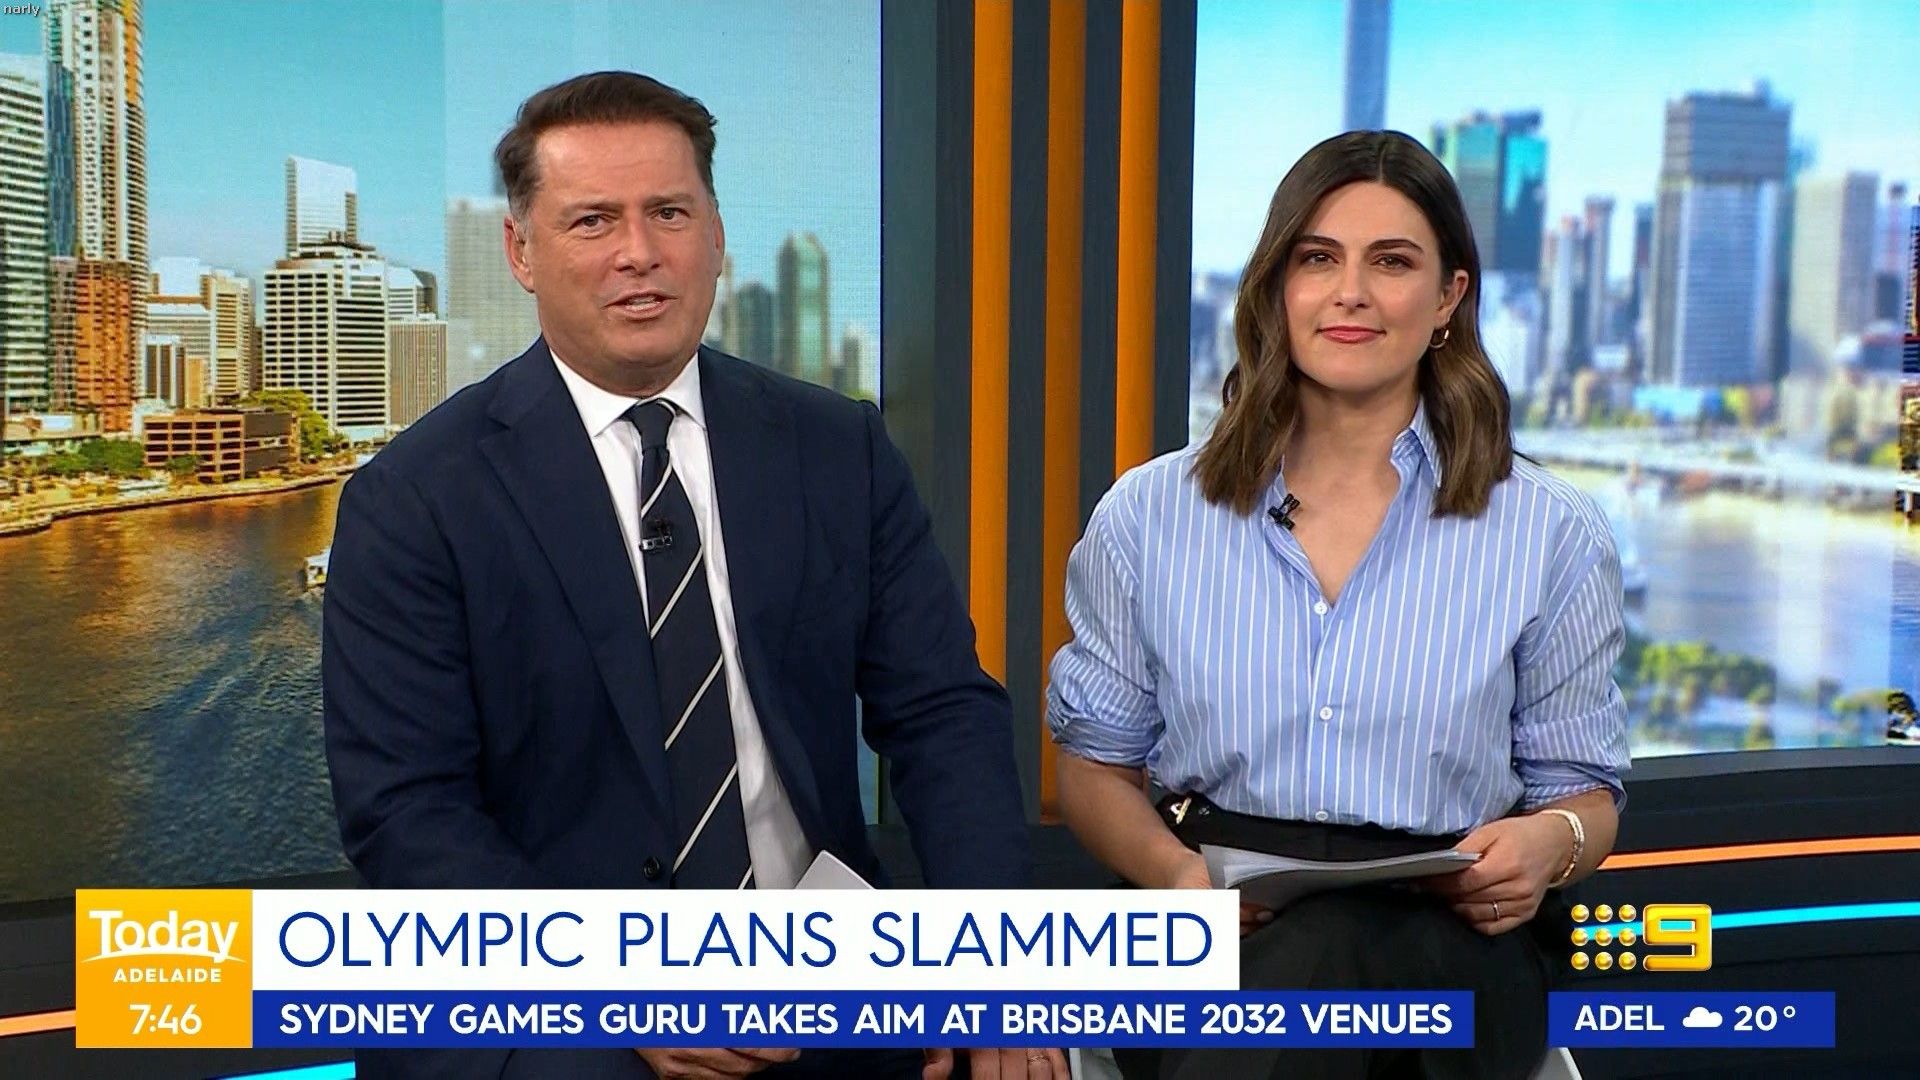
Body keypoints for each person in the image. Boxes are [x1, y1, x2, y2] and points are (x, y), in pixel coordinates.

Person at [323, 71, 1063, 1080]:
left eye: (669, 212)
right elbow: (408, 810)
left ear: (714, 233)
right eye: (592, 220)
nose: (639, 252)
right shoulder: (414, 498)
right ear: (522, 252)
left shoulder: (836, 447)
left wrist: (999, 966)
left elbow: (940, 712)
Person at [1047, 130, 1631, 1080]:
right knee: (1299, 980)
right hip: (1214, 912)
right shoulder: (1148, 517)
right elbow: (1092, 771)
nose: (1350, 291)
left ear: (1448, 298)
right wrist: (1175, 878)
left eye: (1390, 262)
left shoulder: (1549, 531)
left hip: (1450, 935)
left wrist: (1548, 844)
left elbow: (1583, 794)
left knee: (1334, 961)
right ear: (1277, 287)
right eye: (1318, 258)